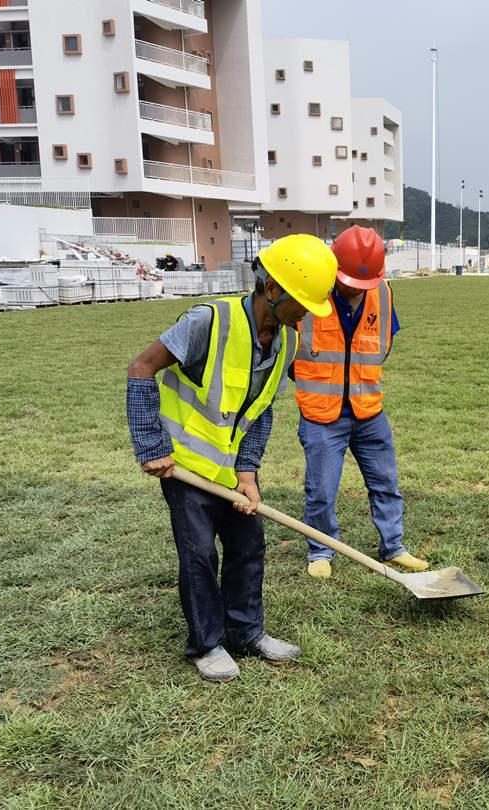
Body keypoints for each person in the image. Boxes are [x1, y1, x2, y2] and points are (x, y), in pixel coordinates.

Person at [127, 234, 337, 682]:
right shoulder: (209, 320)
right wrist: (151, 446)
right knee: (200, 553)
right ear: (274, 288)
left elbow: (259, 412)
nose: (306, 312)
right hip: (183, 467)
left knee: (248, 546)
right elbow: (141, 368)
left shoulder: (285, 343)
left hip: (228, 472)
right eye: (301, 301)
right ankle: (207, 643)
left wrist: (248, 473)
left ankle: (246, 633)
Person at [290, 225, 428, 579]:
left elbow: (383, 343)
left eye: (361, 284)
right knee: (321, 490)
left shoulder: (382, 294)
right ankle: (321, 550)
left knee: (386, 483)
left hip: (369, 410)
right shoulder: (308, 294)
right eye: (348, 281)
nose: (353, 289)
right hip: (322, 415)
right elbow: (287, 351)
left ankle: (393, 546)